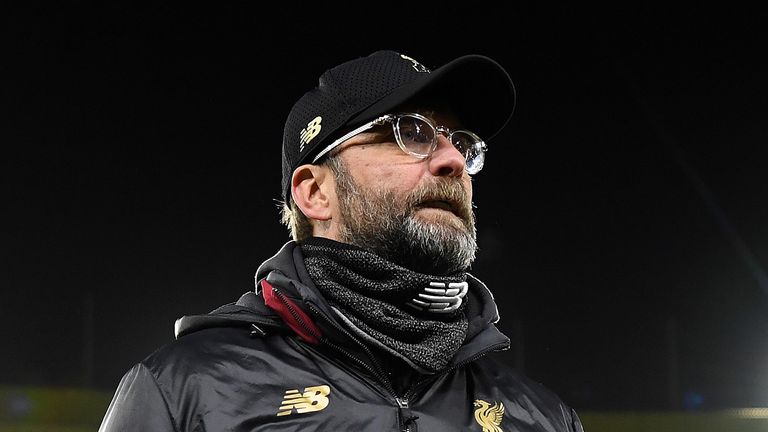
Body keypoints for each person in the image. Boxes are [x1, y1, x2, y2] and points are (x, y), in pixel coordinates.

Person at [99, 50, 585, 432]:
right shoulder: (188, 390)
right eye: (410, 132)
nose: (451, 160)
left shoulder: (542, 418)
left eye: (459, 141)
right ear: (314, 192)